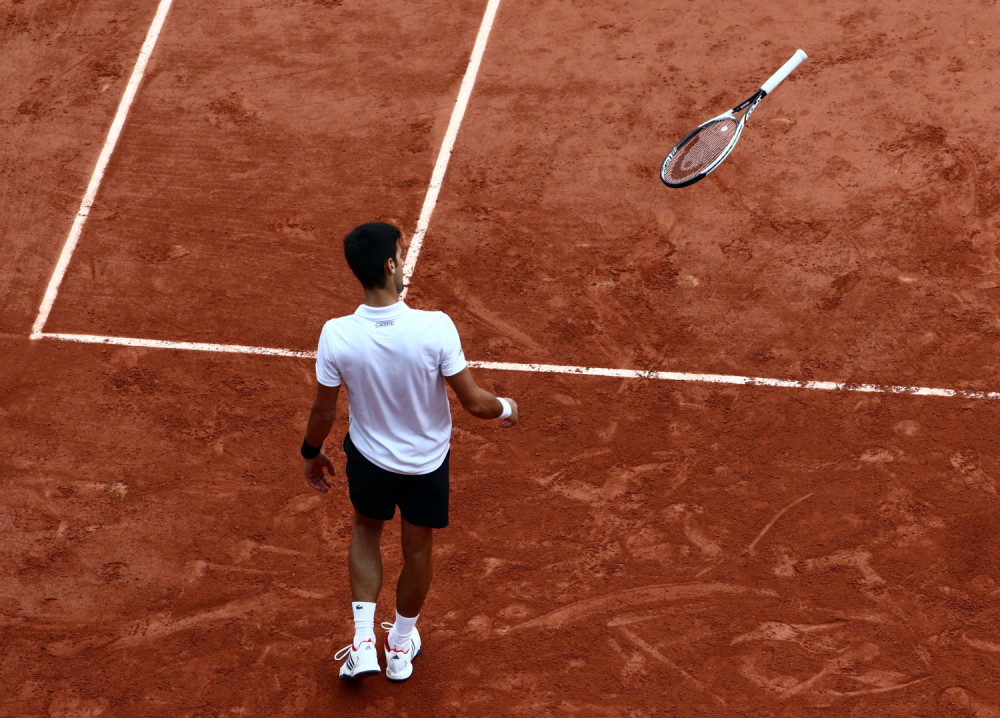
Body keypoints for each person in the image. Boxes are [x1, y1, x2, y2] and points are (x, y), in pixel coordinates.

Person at [300, 222, 519, 682]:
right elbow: (476, 404)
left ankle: (363, 645)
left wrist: (310, 452)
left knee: (366, 529)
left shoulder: (336, 334)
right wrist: (507, 408)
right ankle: (399, 648)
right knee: (418, 549)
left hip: (368, 459)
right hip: (425, 465)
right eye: (401, 254)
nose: (404, 262)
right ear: (389, 266)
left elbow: (323, 413)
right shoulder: (435, 327)